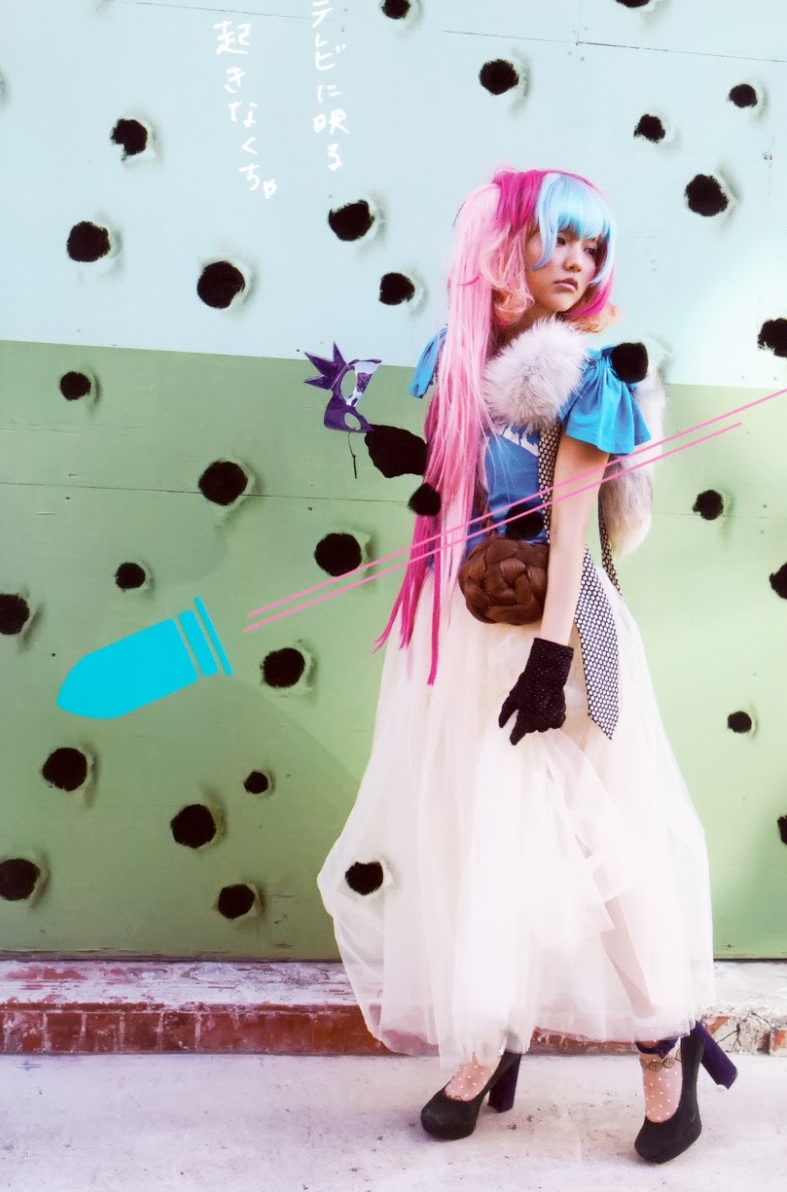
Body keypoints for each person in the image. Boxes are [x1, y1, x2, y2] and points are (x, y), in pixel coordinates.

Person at [317, 166, 736, 1164]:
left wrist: (549, 659)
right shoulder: (454, 360)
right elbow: (459, 501)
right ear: (503, 248)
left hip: (562, 624)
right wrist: (420, 473)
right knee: (476, 835)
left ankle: (665, 1047)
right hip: (472, 622)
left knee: (601, 840)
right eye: (560, 239)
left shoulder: (587, 375)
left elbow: (574, 529)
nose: (578, 261)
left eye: (592, 246)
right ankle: (487, 1041)